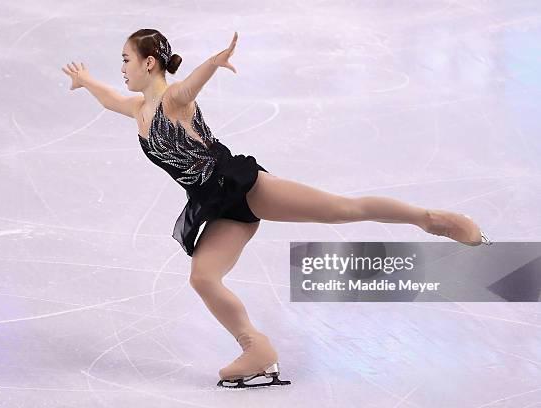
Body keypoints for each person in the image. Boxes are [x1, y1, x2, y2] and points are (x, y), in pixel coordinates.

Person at [61, 28, 492, 388]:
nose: (121, 69)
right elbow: (107, 98)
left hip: (243, 186)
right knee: (203, 277)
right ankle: (257, 349)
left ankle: (433, 220)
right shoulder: (137, 108)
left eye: (125, 60)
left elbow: (190, 85)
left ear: (148, 63)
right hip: (217, 207)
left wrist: (213, 63)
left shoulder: (174, 100)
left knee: (342, 209)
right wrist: (86, 81)